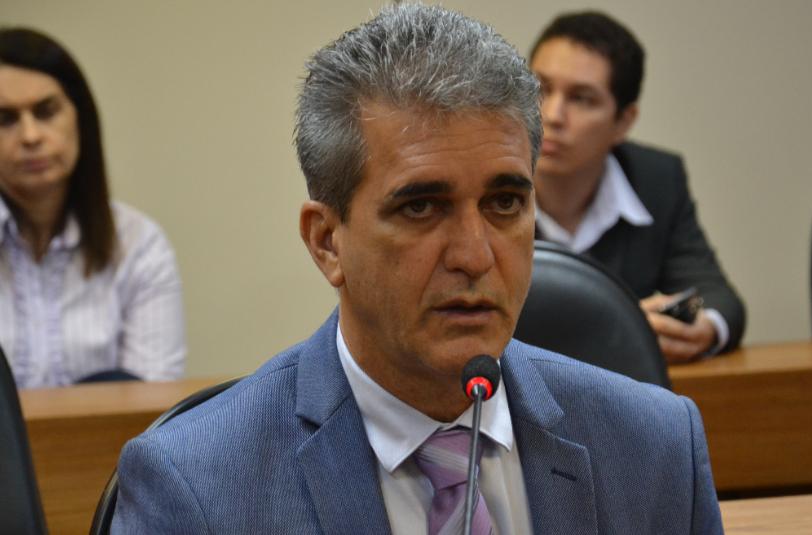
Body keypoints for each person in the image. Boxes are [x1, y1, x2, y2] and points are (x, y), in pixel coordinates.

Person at [111, 5, 722, 533]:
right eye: (421, 207)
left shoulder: (655, 446)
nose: (475, 256)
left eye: (505, 203)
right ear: (326, 242)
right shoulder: (195, 486)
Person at [529, 11, 746, 363]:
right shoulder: (480, 177)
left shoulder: (656, 181)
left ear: (623, 122)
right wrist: (614, 327)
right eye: (540, 88)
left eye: (582, 98)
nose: (552, 115)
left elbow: (715, 296)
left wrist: (703, 327)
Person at [0, 28, 185, 388]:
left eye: (46, 111)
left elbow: (154, 404)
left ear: (80, 119)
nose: (30, 136)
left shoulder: (138, 244)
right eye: (5, 119)